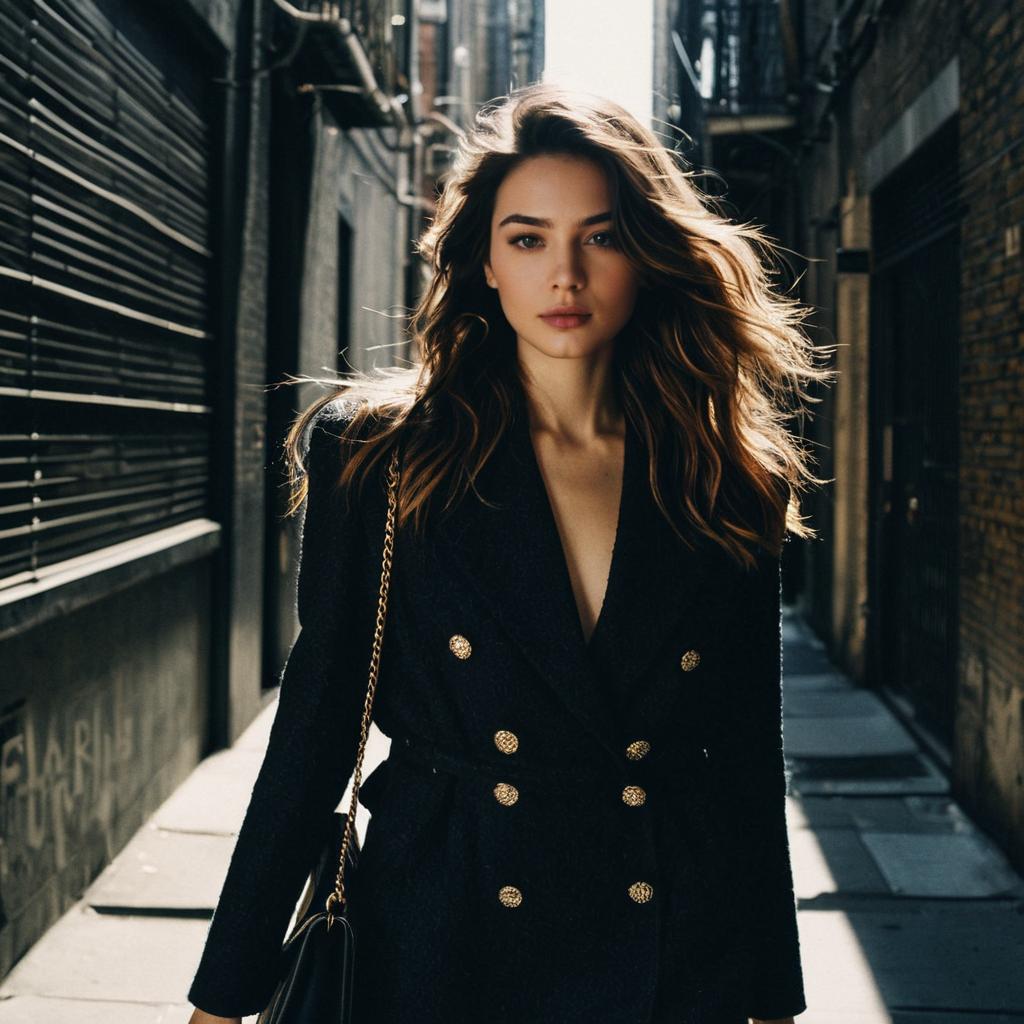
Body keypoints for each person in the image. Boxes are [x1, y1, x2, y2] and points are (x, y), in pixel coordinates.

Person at [187, 82, 832, 1024]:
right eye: (528, 239)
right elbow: (315, 728)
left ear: (647, 255)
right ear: (484, 261)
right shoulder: (383, 454)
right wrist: (224, 998)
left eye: (600, 237)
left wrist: (773, 1000)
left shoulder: (723, 477)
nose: (564, 275)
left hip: (666, 956)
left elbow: (742, 760)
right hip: (439, 941)